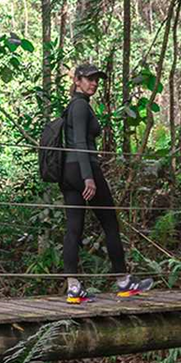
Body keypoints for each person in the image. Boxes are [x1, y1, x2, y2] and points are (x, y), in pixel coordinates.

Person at [61, 63, 148, 302]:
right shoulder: (79, 106)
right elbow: (80, 142)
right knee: (110, 223)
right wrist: (88, 177)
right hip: (83, 168)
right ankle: (124, 281)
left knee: (74, 228)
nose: (94, 83)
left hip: (68, 172)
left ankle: (74, 287)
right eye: (89, 79)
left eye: (96, 79)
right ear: (77, 81)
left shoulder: (74, 106)